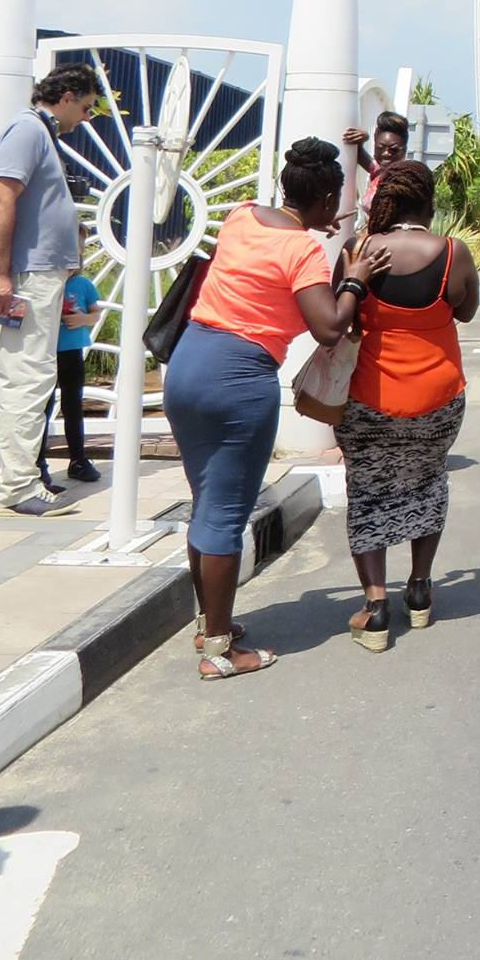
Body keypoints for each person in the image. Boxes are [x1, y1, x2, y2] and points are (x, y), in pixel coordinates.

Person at [164, 138, 388, 681]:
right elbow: (329, 326)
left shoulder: (242, 216)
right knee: (225, 513)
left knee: (206, 502)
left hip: (188, 362)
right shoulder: (304, 253)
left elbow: (267, 265)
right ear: (328, 195)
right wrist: (355, 277)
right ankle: (218, 651)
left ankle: (209, 621)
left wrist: (311, 230)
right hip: (238, 379)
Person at [337, 158, 479, 652]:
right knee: (426, 481)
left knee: (369, 490)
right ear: (429, 203)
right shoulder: (453, 253)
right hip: (438, 398)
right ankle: (419, 590)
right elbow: (466, 308)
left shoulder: (358, 250)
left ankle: (375, 608)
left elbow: (343, 316)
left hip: (369, 398)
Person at [0, 63, 100, 518]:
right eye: (88, 107)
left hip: (38, 274)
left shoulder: (38, 133)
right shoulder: (28, 130)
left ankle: (8, 479)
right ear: (68, 95)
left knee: (22, 377)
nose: (87, 118)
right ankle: (17, 488)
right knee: (27, 379)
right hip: (28, 275)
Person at [38, 245, 103, 486]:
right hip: (47, 353)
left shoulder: (83, 285)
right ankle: (38, 463)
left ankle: (78, 459)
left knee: (73, 406)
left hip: (71, 352)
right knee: (43, 408)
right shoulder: (46, 284)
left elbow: (95, 313)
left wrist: (83, 319)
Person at [343, 111, 411, 221]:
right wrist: (365, 136)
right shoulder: (378, 172)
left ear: (405, 150)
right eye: (380, 147)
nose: (385, 153)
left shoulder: (407, 181)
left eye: (393, 150)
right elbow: (357, 152)